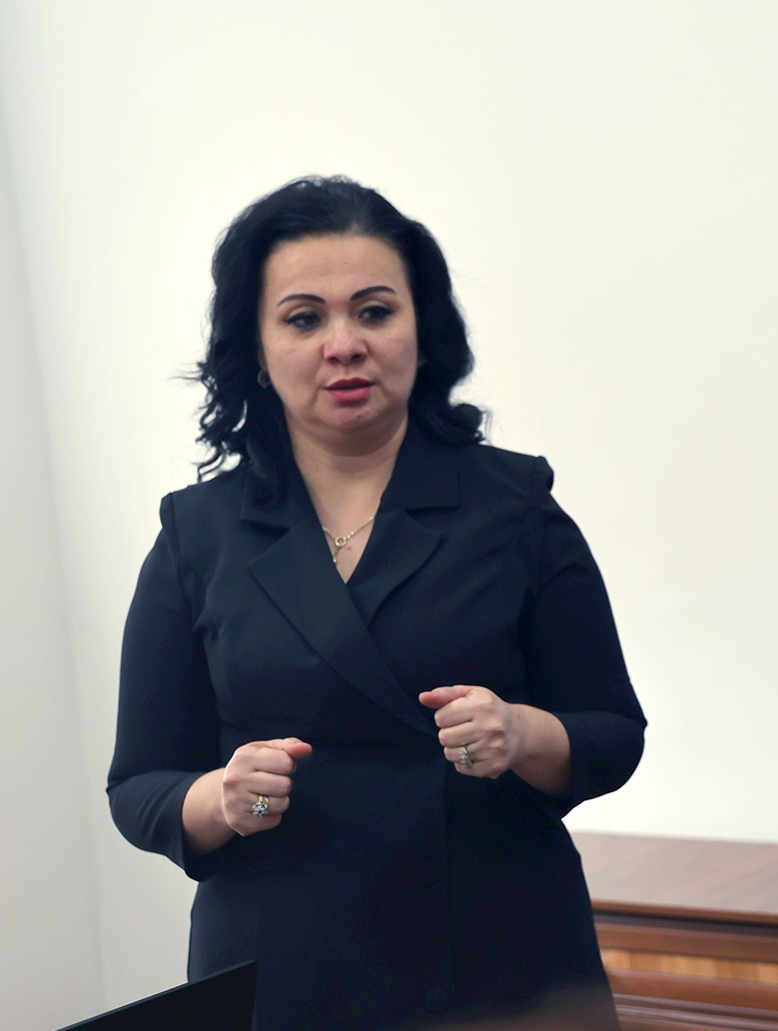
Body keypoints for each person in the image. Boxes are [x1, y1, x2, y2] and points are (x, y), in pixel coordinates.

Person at [108, 176, 646, 1031]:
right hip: (287, 968)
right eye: (303, 318)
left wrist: (521, 732)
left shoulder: (514, 506)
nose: (344, 344)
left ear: (422, 331)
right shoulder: (195, 534)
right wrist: (221, 798)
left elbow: (612, 731)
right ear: (255, 349)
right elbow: (139, 784)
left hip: (502, 962)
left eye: (374, 311)